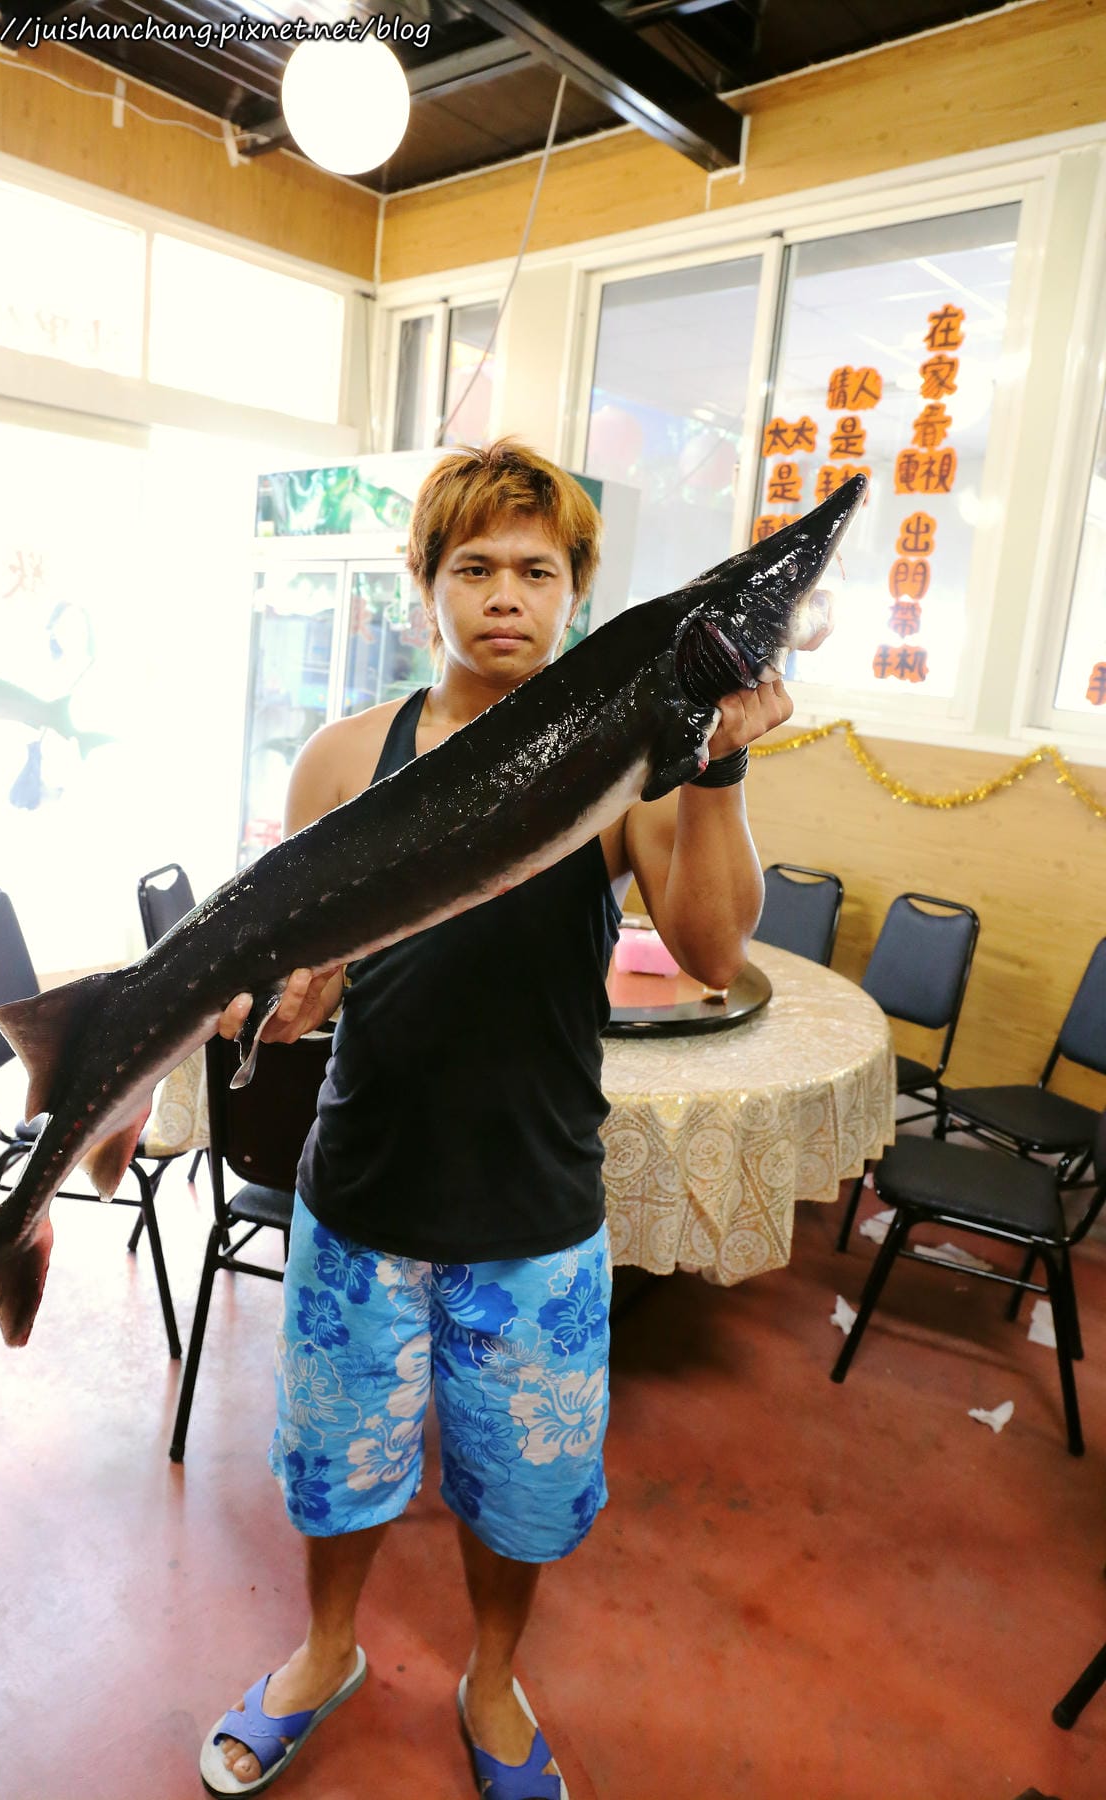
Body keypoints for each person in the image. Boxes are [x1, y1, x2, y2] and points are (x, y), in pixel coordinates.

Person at [200, 439, 805, 1799]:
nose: (504, 596)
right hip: (362, 1191)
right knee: (336, 1470)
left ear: (578, 595)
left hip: (534, 1210)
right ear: (426, 588)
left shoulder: (624, 768)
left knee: (518, 1495)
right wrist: (291, 998)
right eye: (473, 567)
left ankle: (489, 1677)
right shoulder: (348, 755)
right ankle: (325, 1650)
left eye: (538, 570)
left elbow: (712, 949)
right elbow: (313, 958)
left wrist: (712, 768)